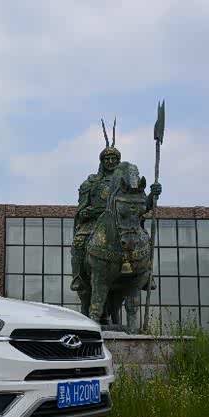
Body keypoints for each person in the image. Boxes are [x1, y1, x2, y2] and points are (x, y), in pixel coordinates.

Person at [70, 119, 162, 292]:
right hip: (96, 224)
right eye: (107, 158)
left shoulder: (129, 182)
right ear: (102, 161)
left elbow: (143, 206)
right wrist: (90, 212)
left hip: (124, 223)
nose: (111, 161)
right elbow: (81, 212)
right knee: (78, 242)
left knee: (145, 239)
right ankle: (78, 278)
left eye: (114, 158)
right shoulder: (91, 183)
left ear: (118, 161)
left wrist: (153, 194)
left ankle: (147, 274)